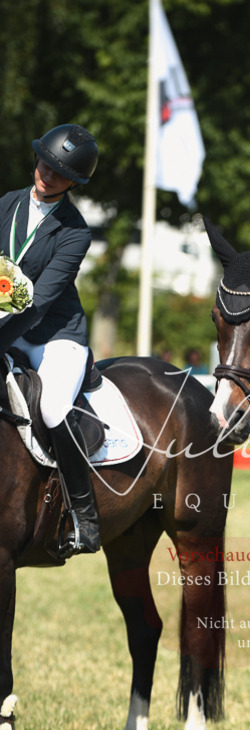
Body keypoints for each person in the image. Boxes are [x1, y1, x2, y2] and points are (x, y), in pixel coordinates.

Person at [0, 123, 100, 555]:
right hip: (7, 327)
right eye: (45, 162)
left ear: (73, 182)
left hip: (54, 335)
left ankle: (84, 517)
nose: (47, 174)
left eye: (60, 172)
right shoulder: (6, 204)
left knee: (55, 410)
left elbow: (39, 302)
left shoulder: (75, 231)